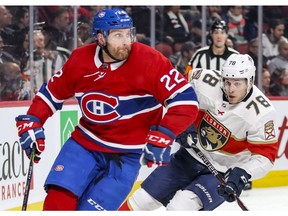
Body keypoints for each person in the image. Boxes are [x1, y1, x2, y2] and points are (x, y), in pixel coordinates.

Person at [15, 8, 199, 210]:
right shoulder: (79, 60)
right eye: (118, 35)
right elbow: (50, 94)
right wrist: (33, 119)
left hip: (127, 156)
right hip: (84, 144)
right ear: (101, 38)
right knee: (57, 204)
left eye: (128, 33)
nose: (126, 40)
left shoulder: (150, 61)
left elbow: (186, 101)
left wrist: (166, 131)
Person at [119, 53, 278, 211]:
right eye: (227, 82)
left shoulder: (262, 113)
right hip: (188, 156)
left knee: (179, 208)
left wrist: (243, 172)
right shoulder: (203, 80)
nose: (230, 89)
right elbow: (173, 93)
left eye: (237, 84)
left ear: (250, 81)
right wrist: (182, 124)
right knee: (141, 201)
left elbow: (265, 156)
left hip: (221, 173)